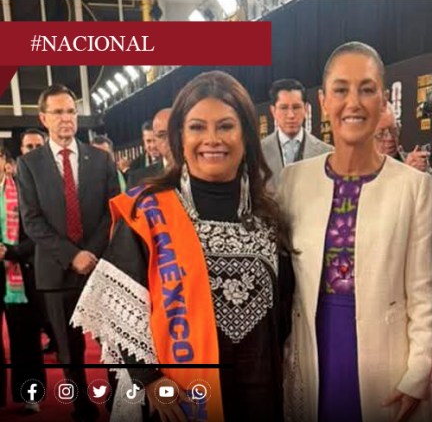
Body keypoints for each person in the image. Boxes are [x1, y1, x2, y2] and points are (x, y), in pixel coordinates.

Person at [72, 71, 294, 422]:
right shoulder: (147, 210)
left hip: (260, 392)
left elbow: (284, 310)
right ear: (179, 136)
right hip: (180, 399)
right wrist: (149, 380)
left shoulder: (269, 214)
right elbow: (118, 306)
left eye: (226, 126)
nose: (212, 139)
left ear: (246, 135)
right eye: (197, 127)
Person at [279, 42, 432, 422]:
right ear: (322, 102)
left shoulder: (414, 187)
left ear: (383, 100)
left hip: (388, 356)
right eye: (340, 90)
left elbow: (422, 293)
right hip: (313, 348)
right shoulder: (292, 181)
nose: (353, 102)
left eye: (367, 89)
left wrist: (419, 370)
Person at [17, 84, 120, 422]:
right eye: (58, 112)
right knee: (68, 349)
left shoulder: (101, 159)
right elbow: (32, 221)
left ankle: (119, 404)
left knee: (111, 345)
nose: (66, 118)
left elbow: (112, 212)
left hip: (99, 266)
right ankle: (81, 407)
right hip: (56, 270)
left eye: (71, 111)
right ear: (43, 118)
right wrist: (72, 256)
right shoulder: (28, 164)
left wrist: (89, 252)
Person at [0, 145, 47, 414]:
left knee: (25, 337)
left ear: (4, 160)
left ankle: (30, 394)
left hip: (21, 271)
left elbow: (37, 235)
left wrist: (10, 251)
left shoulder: (23, 190)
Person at [19, 128, 57, 356]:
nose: (33, 151)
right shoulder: (13, 184)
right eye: (29, 147)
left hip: (52, 260)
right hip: (22, 264)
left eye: (38, 146)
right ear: (21, 150)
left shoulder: (60, 178)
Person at [261, 78, 333, 188]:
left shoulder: (326, 153)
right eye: (284, 108)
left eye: (296, 107)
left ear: (306, 109)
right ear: (273, 111)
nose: (291, 115)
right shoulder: (258, 153)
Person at [128, 108, 172, 187]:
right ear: (143, 142)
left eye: (155, 140)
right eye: (148, 141)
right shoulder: (135, 173)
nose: (153, 145)